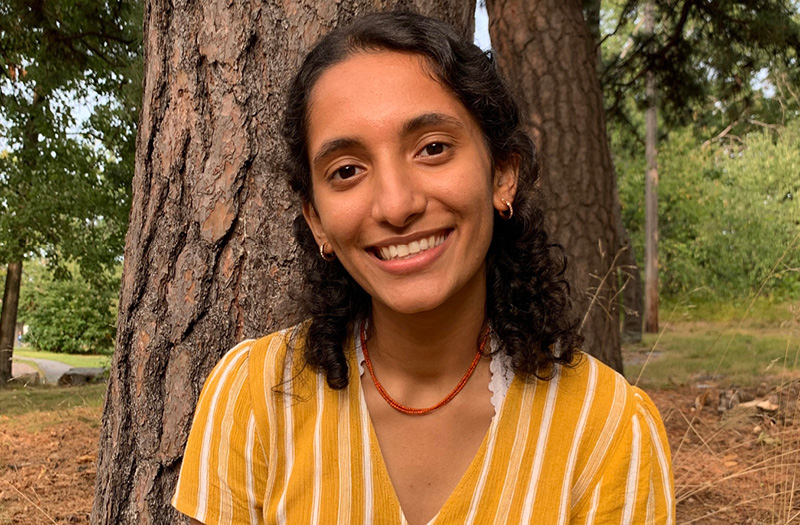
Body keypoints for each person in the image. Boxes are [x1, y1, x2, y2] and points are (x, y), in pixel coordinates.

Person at [172, 11, 675, 525]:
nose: (395, 205)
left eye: (433, 148)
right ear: (317, 221)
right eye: (346, 171)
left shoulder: (609, 432)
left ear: (502, 175)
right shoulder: (253, 398)